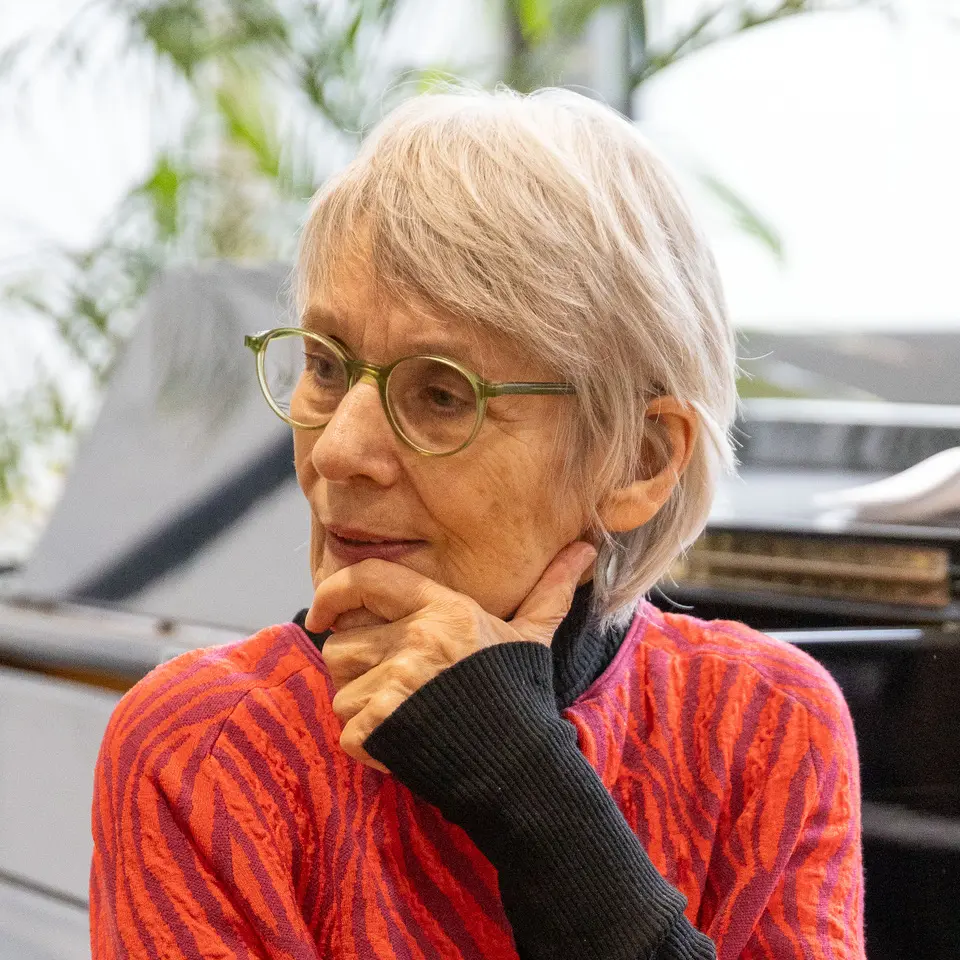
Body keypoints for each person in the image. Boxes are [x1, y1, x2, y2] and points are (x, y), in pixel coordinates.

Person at [90, 86, 864, 960]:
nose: (337, 451)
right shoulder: (206, 748)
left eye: (443, 394)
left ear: (641, 461)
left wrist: (532, 791)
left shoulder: (764, 726)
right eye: (326, 365)